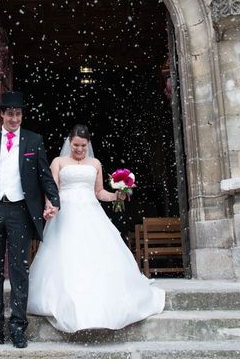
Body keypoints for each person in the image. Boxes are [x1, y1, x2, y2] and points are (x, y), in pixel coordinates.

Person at [28, 124, 165, 333]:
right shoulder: (58, 162)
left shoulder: (95, 163)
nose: (79, 149)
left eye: (83, 145)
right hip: (65, 213)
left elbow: (99, 192)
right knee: (66, 255)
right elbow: (51, 189)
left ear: (88, 143)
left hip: (91, 211)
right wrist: (50, 206)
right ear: (69, 142)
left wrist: (117, 195)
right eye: (75, 145)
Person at [0, 91, 60, 349]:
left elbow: (44, 176)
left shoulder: (33, 141)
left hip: (20, 212)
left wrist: (54, 200)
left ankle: (18, 328)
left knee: (19, 271)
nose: (15, 118)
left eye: (18, 114)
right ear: (2, 115)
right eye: (10, 114)